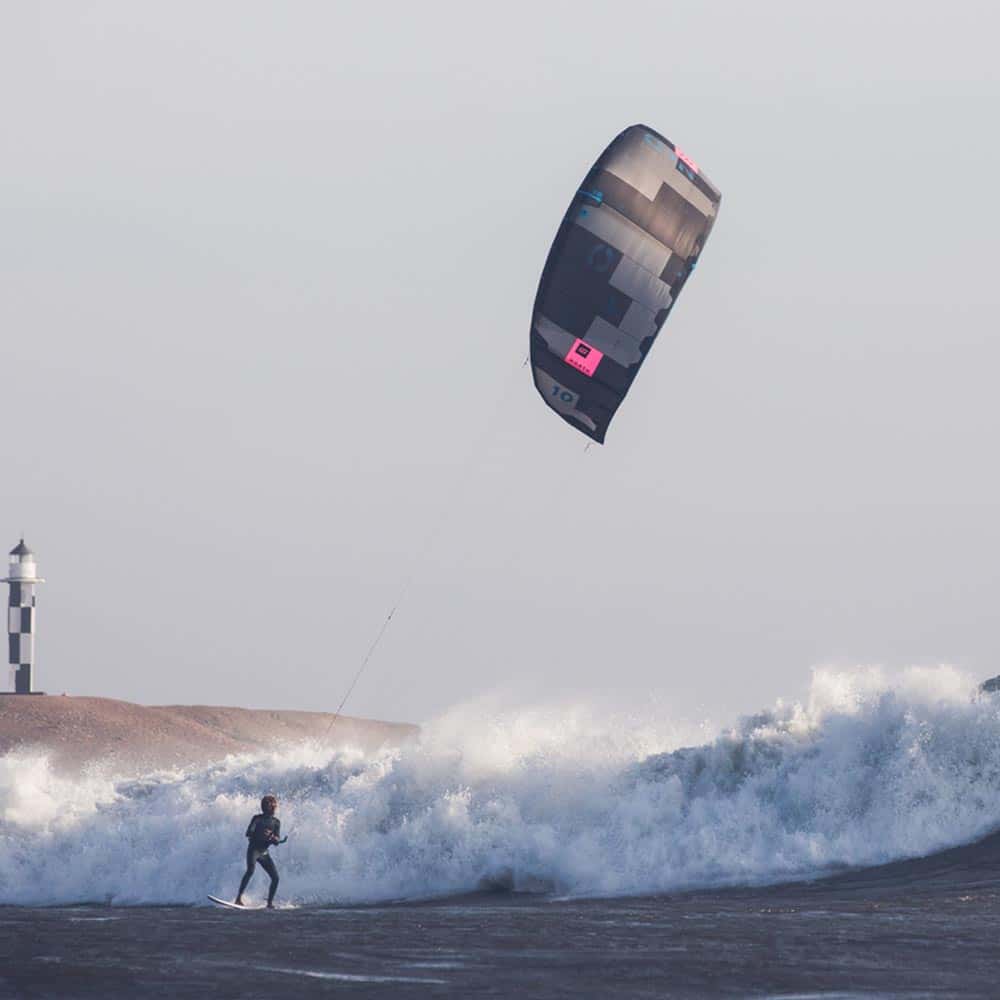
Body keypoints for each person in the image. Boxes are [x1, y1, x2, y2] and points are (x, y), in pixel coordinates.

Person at [235, 794, 285, 908]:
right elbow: (248, 833)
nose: (274, 809)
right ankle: (238, 899)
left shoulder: (276, 822)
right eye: (272, 807)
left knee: (276, 878)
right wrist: (262, 833)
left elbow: (276, 841)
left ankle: (269, 903)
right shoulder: (257, 819)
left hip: (264, 853)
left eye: (274, 807)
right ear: (266, 808)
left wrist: (273, 838)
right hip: (253, 850)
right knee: (250, 871)